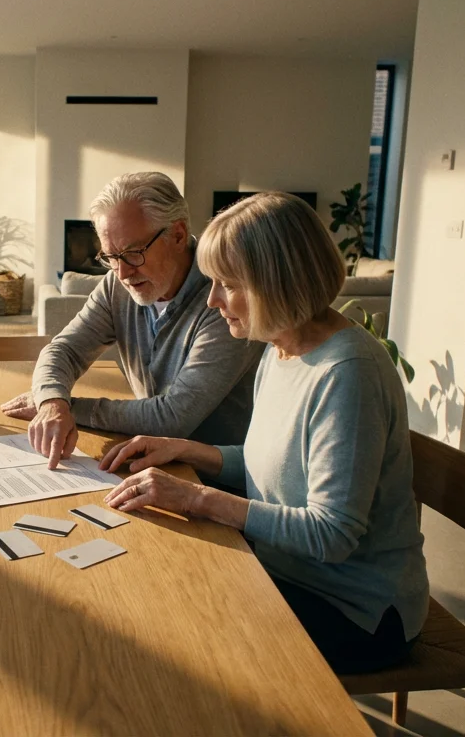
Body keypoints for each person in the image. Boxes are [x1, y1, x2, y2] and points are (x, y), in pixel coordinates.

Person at [98, 191, 429, 674]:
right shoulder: (280, 348)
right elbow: (275, 460)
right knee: (154, 587)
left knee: (171, 633)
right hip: (283, 570)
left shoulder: (347, 373)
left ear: (277, 283)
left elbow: (332, 534)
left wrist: (197, 498)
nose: (212, 301)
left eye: (227, 284)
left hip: (355, 608)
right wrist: (186, 449)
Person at [1, 172, 264, 469]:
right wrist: (52, 403)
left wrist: (70, 407)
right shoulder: (118, 284)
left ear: (177, 235)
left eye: (133, 253)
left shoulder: (226, 297)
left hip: (212, 477)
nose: (122, 273)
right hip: (150, 459)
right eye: (110, 256)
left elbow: (173, 419)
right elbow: (64, 349)